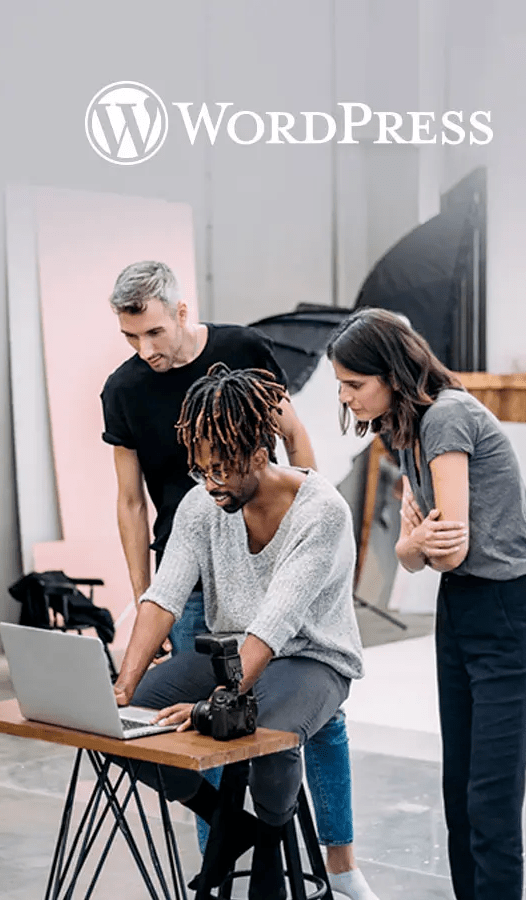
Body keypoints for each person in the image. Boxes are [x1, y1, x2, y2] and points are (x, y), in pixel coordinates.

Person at [101, 262, 377, 899]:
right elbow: (164, 596)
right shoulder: (204, 499)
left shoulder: (320, 513)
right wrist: (122, 686)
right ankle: (230, 823)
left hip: (309, 657)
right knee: (116, 730)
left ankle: (271, 850)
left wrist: (208, 707)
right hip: (230, 643)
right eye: (201, 470)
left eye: (222, 468)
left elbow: (275, 626)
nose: (210, 483)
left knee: (260, 732)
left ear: (260, 450)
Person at [327, 308, 526, 900]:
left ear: (391, 374)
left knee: (491, 799)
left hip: (507, 612)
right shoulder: (408, 430)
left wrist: (421, 542)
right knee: (460, 791)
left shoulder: (447, 418)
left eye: (354, 385)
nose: (347, 399)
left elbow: (448, 549)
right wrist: (415, 542)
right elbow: (410, 554)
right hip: (461, 611)